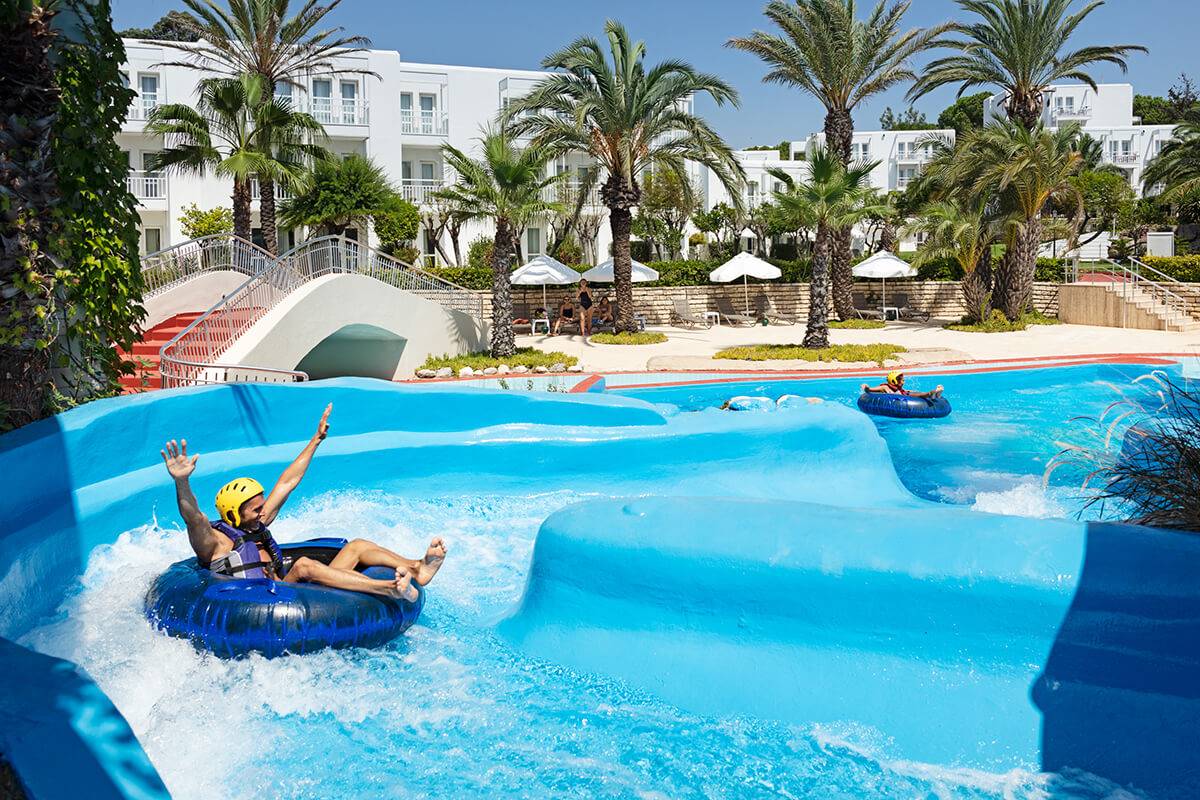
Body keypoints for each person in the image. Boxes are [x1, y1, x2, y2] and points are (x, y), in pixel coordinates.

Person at [160, 403, 445, 601]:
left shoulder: (256, 523)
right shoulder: (216, 543)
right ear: (235, 514)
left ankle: (418, 568)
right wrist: (181, 481)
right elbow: (193, 518)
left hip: (287, 590)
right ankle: (389, 589)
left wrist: (316, 440)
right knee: (304, 565)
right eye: (256, 508)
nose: (263, 511)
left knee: (357, 546)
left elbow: (288, 481)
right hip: (262, 603)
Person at [861, 370, 944, 400]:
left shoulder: (899, 389)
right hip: (900, 398)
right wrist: (866, 387)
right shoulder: (884, 387)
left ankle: (935, 394)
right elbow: (869, 390)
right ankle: (931, 394)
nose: (904, 381)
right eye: (902, 379)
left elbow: (904, 391)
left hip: (904, 395)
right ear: (894, 381)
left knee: (916, 393)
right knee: (916, 395)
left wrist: (910, 391)